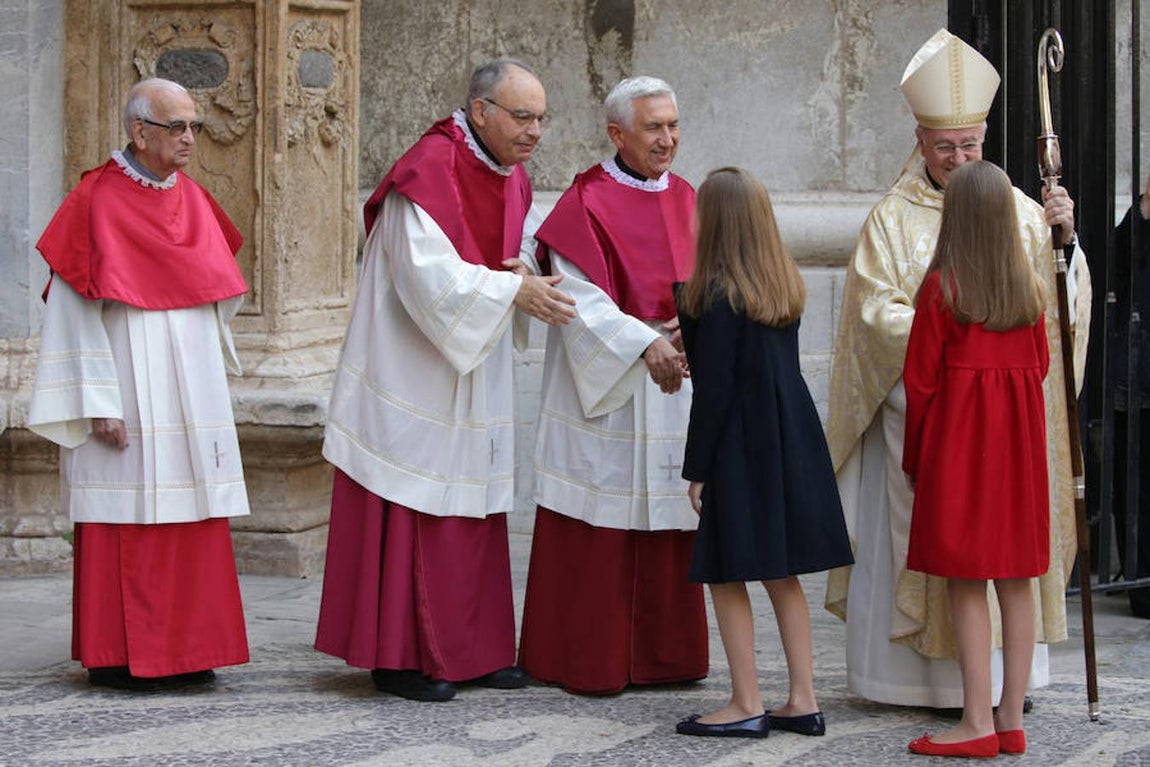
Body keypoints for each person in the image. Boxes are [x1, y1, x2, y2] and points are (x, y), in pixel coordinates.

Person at [823, 28, 1092, 709]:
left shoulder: (1028, 217)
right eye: (945, 147)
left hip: (960, 432)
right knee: (1004, 568)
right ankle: (956, 695)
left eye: (969, 145)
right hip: (957, 424)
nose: (958, 156)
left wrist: (1068, 241)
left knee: (974, 569)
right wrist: (969, 344)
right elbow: (871, 317)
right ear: (919, 142)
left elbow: (1060, 309)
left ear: (983, 139)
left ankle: (988, 704)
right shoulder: (889, 220)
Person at [315, 58, 576, 703]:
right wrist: (511, 290)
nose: (535, 130)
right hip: (413, 364)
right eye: (523, 116)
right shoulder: (428, 168)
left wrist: (521, 277)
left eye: (542, 117)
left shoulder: (511, 176)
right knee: (413, 497)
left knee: (474, 497)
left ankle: (472, 650)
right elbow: (424, 276)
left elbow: (509, 253)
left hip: (472, 355)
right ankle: (400, 656)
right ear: (481, 110)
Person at [27, 77, 251, 690]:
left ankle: (190, 648)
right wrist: (97, 400)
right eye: (176, 126)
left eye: (194, 127)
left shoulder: (196, 198)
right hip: (125, 373)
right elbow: (72, 312)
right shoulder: (96, 198)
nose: (188, 138)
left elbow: (217, 288)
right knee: (127, 516)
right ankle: (120, 654)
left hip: (190, 383)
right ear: (139, 131)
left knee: (193, 511)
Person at [517, 75, 708, 695]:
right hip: (613, 381)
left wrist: (696, 321)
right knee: (598, 517)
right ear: (616, 132)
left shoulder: (689, 197)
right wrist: (642, 342)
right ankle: (585, 657)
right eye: (654, 127)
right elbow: (574, 295)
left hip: (675, 374)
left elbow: (714, 276)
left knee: (671, 513)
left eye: (674, 125)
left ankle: (666, 656)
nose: (668, 139)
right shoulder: (585, 201)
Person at [673, 167, 854, 739]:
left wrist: (697, 469)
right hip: (788, 436)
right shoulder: (781, 286)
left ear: (716, 222)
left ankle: (746, 700)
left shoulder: (720, 296)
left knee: (727, 574)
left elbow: (716, 391)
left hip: (741, 445)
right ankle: (803, 698)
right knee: (781, 573)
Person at [903, 161, 1050, 758]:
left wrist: (916, 460)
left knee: (967, 586)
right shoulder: (1029, 292)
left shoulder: (943, 291)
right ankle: (1010, 718)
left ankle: (975, 722)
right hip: (1017, 456)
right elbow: (1037, 369)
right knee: (1017, 584)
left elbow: (920, 385)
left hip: (962, 453)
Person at [1111, 170, 1150, 619]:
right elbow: (1118, 267)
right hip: (1138, 373)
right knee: (1134, 479)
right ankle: (1141, 584)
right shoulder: (1136, 224)